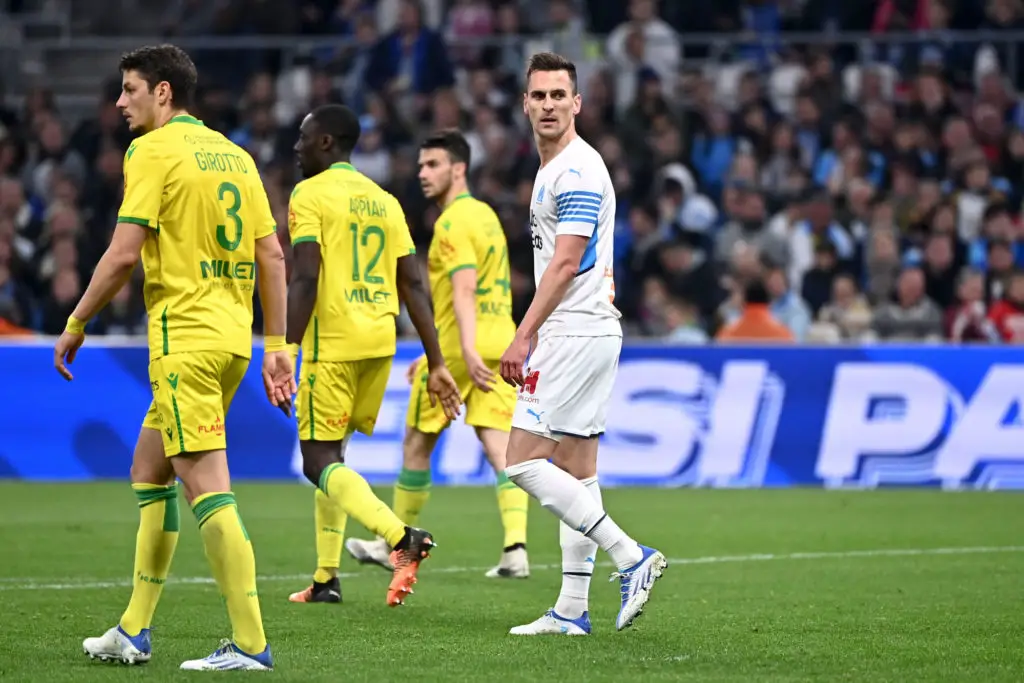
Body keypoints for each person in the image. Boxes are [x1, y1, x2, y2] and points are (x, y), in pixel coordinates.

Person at [56, 45, 292, 671]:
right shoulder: (236, 155)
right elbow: (272, 256)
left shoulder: (151, 151)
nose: (119, 102)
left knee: (207, 486)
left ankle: (251, 644)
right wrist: (276, 346)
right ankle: (133, 630)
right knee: (149, 470)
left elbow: (123, 254)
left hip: (184, 338)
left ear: (163, 92)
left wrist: (77, 321)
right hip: (231, 339)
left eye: (129, 89)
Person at [498, 52, 667, 637]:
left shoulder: (575, 171)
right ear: (525, 104)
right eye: (538, 95)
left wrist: (523, 334)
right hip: (591, 328)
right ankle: (572, 609)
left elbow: (567, 261)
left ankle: (631, 555)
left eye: (558, 95)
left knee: (521, 461)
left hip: (572, 330)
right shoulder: (557, 167)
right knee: (576, 469)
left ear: (577, 103)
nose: (548, 105)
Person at [283, 105, 462, 608]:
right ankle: (326, 578)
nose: (296, 146)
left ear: (326, 142)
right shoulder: (385, 201)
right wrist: (437, 361)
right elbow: (413, 285)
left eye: (303, 137)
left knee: (316, 460)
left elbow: (305, 276)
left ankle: (401, 537)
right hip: (379, 342)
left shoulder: (309, 194)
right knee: (336, 456)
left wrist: (286, 347)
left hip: (334, 341)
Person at [344, 129, 531, 579]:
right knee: (499, 445)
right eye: (421, 165)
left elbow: (463, 290)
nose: (422, 173)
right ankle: (516, 548)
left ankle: (393, 543)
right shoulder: (486, 215)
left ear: (459, 168)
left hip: (465, 344)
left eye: (433, 165)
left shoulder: (450, 223)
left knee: (416, 442)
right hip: (499, 338)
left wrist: (454, 352)